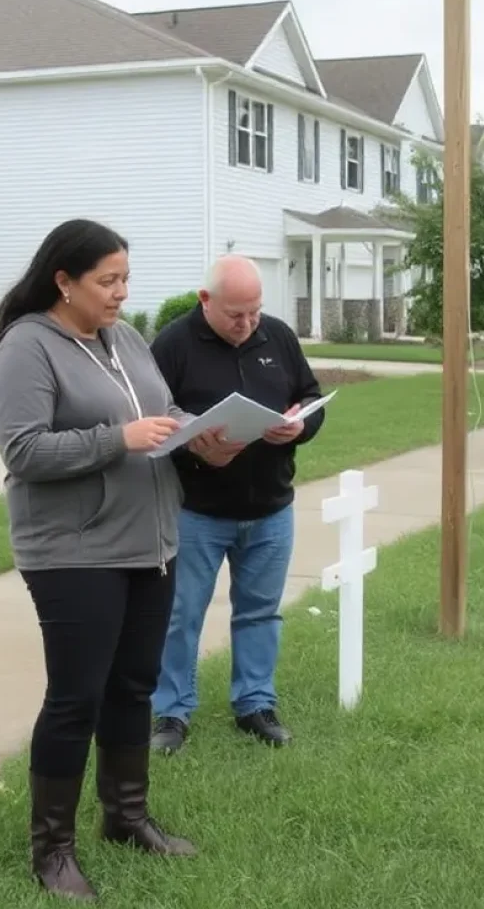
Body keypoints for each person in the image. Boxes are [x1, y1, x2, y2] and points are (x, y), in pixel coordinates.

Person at [0, 219, 199, 902]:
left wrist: (205, 432)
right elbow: (22, 453)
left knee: (134, 687)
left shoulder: (124, 339)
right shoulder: (28, 347)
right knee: (76, 698)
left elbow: (160, 412)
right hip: (75, 553)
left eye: (126, 279)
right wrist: (119, 438)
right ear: (63, 280)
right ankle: (52, 850)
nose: (121, 294)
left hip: (150, 542)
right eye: (107, 281)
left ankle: (126, 817)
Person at [149, 254, 326, 754]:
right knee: (182, 614)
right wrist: (193, 442)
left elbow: (308, 395)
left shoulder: (278, 337)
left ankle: (255, 704)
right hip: (197, 510)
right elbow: (150, 415)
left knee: (261, 612)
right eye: (236, 315)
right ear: (206, 301)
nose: (248, 324)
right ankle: (172, 713)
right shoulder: (173, 345)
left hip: (270, 507)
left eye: (255, 312)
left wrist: (300, 425)